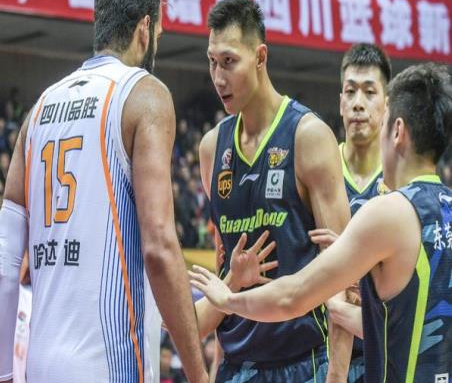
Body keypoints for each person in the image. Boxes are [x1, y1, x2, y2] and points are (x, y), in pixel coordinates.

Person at [0, 0, 208, 383]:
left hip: (40, 365)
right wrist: (200, 376)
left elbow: (2, 255)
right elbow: (159, 248)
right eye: (159, 33)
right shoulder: (144, 95)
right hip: (108, 364)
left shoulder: (39, 109)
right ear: (145, 28)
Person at [191, 62, 452, 382]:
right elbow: (397, 327)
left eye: (383, 123)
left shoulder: (388, 211)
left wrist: (229, 299)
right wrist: (350, 291)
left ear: (397, 131)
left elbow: (293, 296)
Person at [195, 0, 353, 382]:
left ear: (260, 57)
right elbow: (223, 273)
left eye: (229, 61)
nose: (218, 77)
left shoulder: (309, 136)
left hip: (302, 362)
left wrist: (337, 375)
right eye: (212, 62)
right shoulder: (211, 148)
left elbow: (344, 274)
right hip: (236, 365)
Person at [309, 43, 392, 382]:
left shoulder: (401, 184)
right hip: (317, 356)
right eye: (350, 91)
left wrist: (354, 263)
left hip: (383, 355)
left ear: (387, 104)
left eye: (369, 92)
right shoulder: (313, 171)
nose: (358, 102)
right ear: (340, 102)